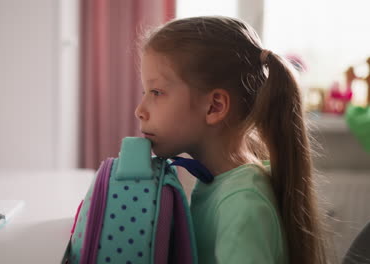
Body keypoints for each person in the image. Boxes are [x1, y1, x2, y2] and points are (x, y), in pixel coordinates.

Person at [134, 16, 328, 264]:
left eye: (157, 92)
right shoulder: (218, 183)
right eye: (145, 92)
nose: (140, 110)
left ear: (214, 106)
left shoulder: (243, 204)